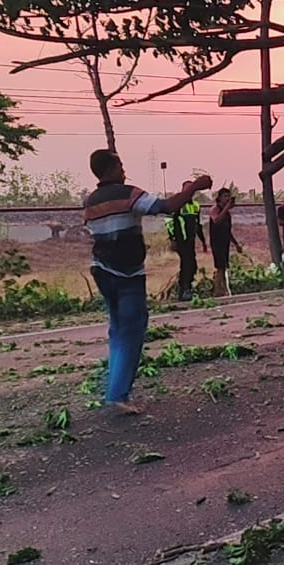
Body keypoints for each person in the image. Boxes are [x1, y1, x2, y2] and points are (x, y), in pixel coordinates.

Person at [83, 149, 212, 414]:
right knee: (132, 331)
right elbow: (166, 207)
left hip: (102, 270)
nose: (123, 170)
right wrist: (196, 187)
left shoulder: (91, 201)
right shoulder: (127, 193)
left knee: (118, 329)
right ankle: (117, 395)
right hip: (127, 273)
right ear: (109, 168)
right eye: (120, 165)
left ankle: (113, 389)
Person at [165, 180, 208, 301]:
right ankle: (184, 289)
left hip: (190, 240)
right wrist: (173, 239)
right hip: (181, 239)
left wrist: (203, 241)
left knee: (191, 265)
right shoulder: (177, 205)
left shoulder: (195, 205)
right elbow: (169, 222)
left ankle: (187, 287)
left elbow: (197, 224)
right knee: (187, 263)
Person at [207, 188, 243, 297]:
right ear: (220, 197)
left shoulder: (227, 214)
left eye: (228, 196)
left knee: (223, 266)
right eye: (225, 196)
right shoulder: (215, 209)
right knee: (220, 266)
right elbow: (216, 220)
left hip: (225, 241)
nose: (227, 198)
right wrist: (226, 208)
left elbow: (228, 231)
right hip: (216, 241)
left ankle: (219, 290)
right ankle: (223, 290)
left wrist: (236, 244)